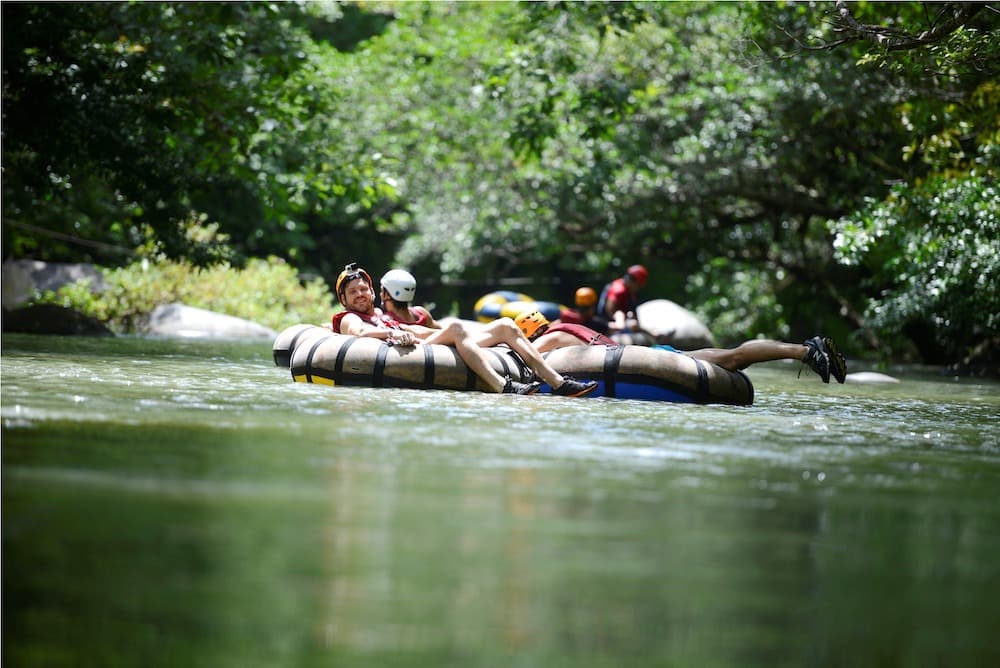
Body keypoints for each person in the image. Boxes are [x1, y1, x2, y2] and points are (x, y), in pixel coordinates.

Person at [332, 263, 599, 396]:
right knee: (457, 327)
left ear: (374, 292)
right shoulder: (348, 317)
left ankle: (558, 383)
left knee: (506, 325)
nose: (360, 295)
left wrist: (406, 329)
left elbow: (424, 330)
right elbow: (359, 333)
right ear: (344, 298)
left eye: (363, 289)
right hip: (409, 351)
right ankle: (503, 387)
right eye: (353, 292)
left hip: (422, 341)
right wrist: (392, 333)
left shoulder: (384, 314)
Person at [515, 310, 848, 384]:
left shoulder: (553, 336)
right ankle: (803, 351)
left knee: (732, 358)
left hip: (651, 360)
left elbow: (527, 357)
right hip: (656, 356)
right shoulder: (570, 329)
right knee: (733, 358)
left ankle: (806, 351)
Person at [597, 264, 648, 333]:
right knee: (633, 324)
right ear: (633, 282)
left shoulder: (628, 289)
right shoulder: (618, 289)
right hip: (609, 322)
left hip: (620, 320)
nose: (639, 288)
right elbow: (610, 309)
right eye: (639, 285)